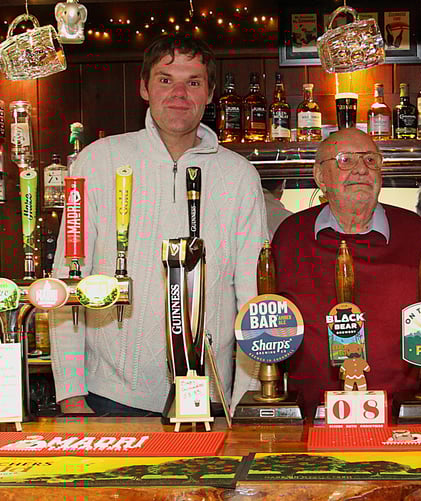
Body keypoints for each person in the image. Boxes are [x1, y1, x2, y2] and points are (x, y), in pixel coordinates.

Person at [50, 34, 267, 416]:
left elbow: (252, 296)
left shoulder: (239, 175)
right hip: (110, 399)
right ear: (143, 88)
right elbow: (70, 279)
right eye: (166, 79)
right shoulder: (98, 161)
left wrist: (246, 398)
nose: (179, 93)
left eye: (193, 82)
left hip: (210, 397)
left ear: (211, 93)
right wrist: (70, 392)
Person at [271, 128, 421, 416]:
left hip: (403, 419)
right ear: (320, 177)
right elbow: (265, 324)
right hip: (312, 421)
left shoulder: (414, 233)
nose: (361, 169)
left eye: (371, 160)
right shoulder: (291, 236)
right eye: (345, 160)